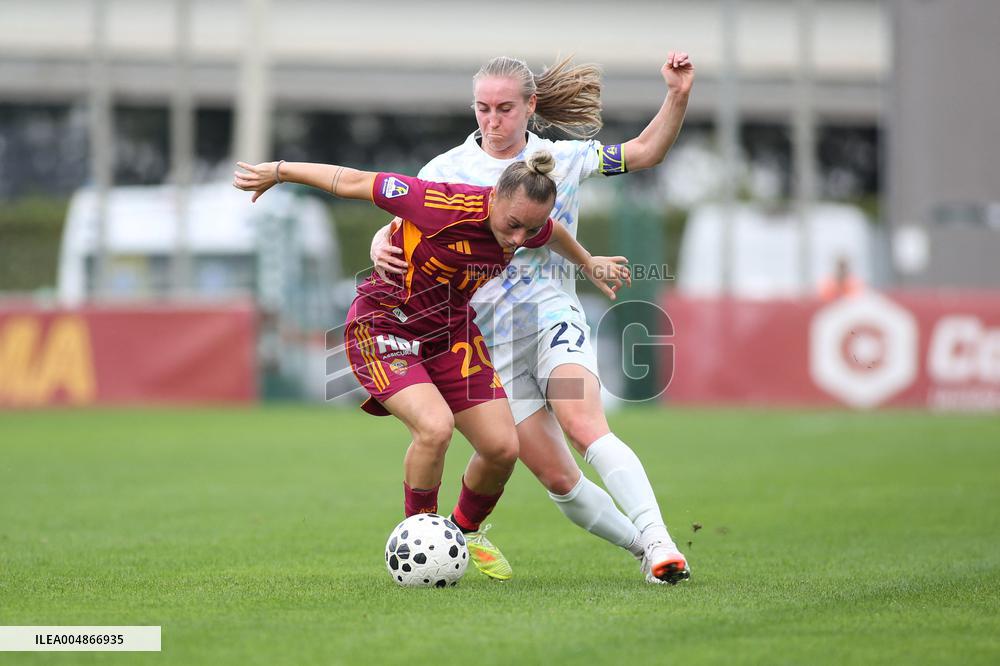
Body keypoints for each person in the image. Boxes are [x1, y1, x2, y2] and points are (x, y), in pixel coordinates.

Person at [370, 52, 695, 584]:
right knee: (558, 478)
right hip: (486, 341)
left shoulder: (561, 159)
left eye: (504, 108)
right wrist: (379, 242)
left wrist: (677, 95)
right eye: (482, 108)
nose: (492, 121)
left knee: (585, 426)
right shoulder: (445, 170)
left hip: (550, 317)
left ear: (530, 106)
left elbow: (645, 151)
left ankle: (661, 539)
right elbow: (401, 220)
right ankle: (647, 550)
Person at [234, 151, 629, 581]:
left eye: (528, 228)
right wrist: (279, 172)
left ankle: (462, 532)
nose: (519, 238)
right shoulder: (436, 203)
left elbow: (553, 234)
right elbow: (352, 180)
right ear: (494, 197)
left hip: (449, 335)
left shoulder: (527, 223)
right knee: (434, 428)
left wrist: (589, 262)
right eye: (513, 224)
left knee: (502, 449)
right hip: (383, 326)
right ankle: (419, 536)